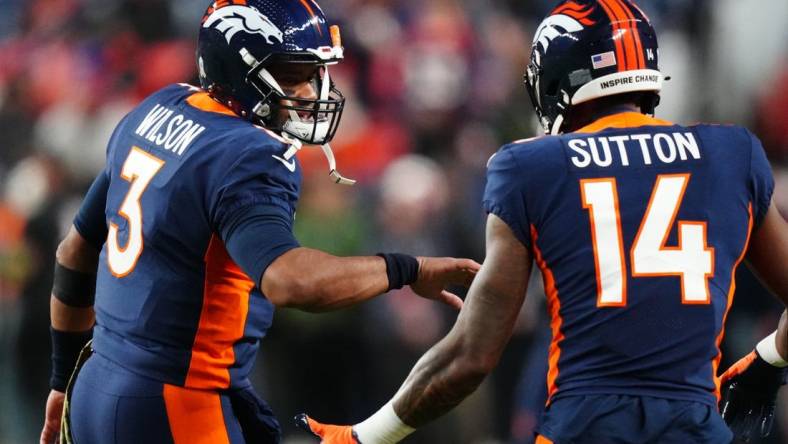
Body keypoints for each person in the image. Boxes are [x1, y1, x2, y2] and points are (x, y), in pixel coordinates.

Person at [299, 1, 788, 443]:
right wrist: (770, 359)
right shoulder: (733, 152)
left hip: (586, 428)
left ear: (557, 80)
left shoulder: (532, 166)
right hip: (696, 430)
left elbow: (470, 357)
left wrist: (365, 436)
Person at [38, 1, 480, 443]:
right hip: (177, 403)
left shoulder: (155, 109)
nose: (310, 91)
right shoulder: (251, 153)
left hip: (94, 384)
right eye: (291, 74)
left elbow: (74, 251)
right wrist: (407, 269)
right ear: (234, 69)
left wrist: (61, 379)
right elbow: (289, 281)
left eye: (313, 73)